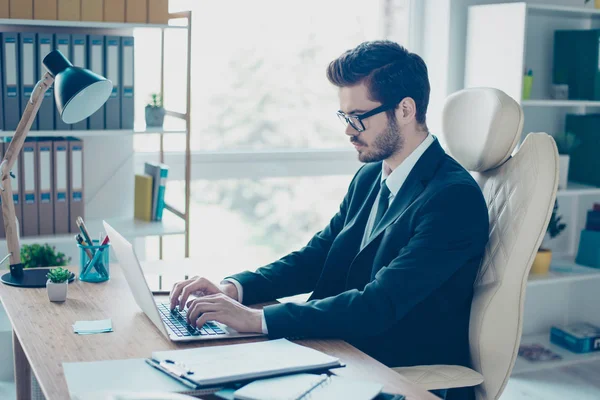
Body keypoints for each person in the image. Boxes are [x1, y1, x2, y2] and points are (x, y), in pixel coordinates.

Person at [170, 40, 489, 400]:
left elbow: (378, 305)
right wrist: (235, 289)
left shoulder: (452, 198)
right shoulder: (372, 176)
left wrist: (256, 320)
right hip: (341, 347)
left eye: (358, 118)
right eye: (344, 117)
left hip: (390, 368)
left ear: (404, 109)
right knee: (195, 375)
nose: (348, 130)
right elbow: (318, 255)